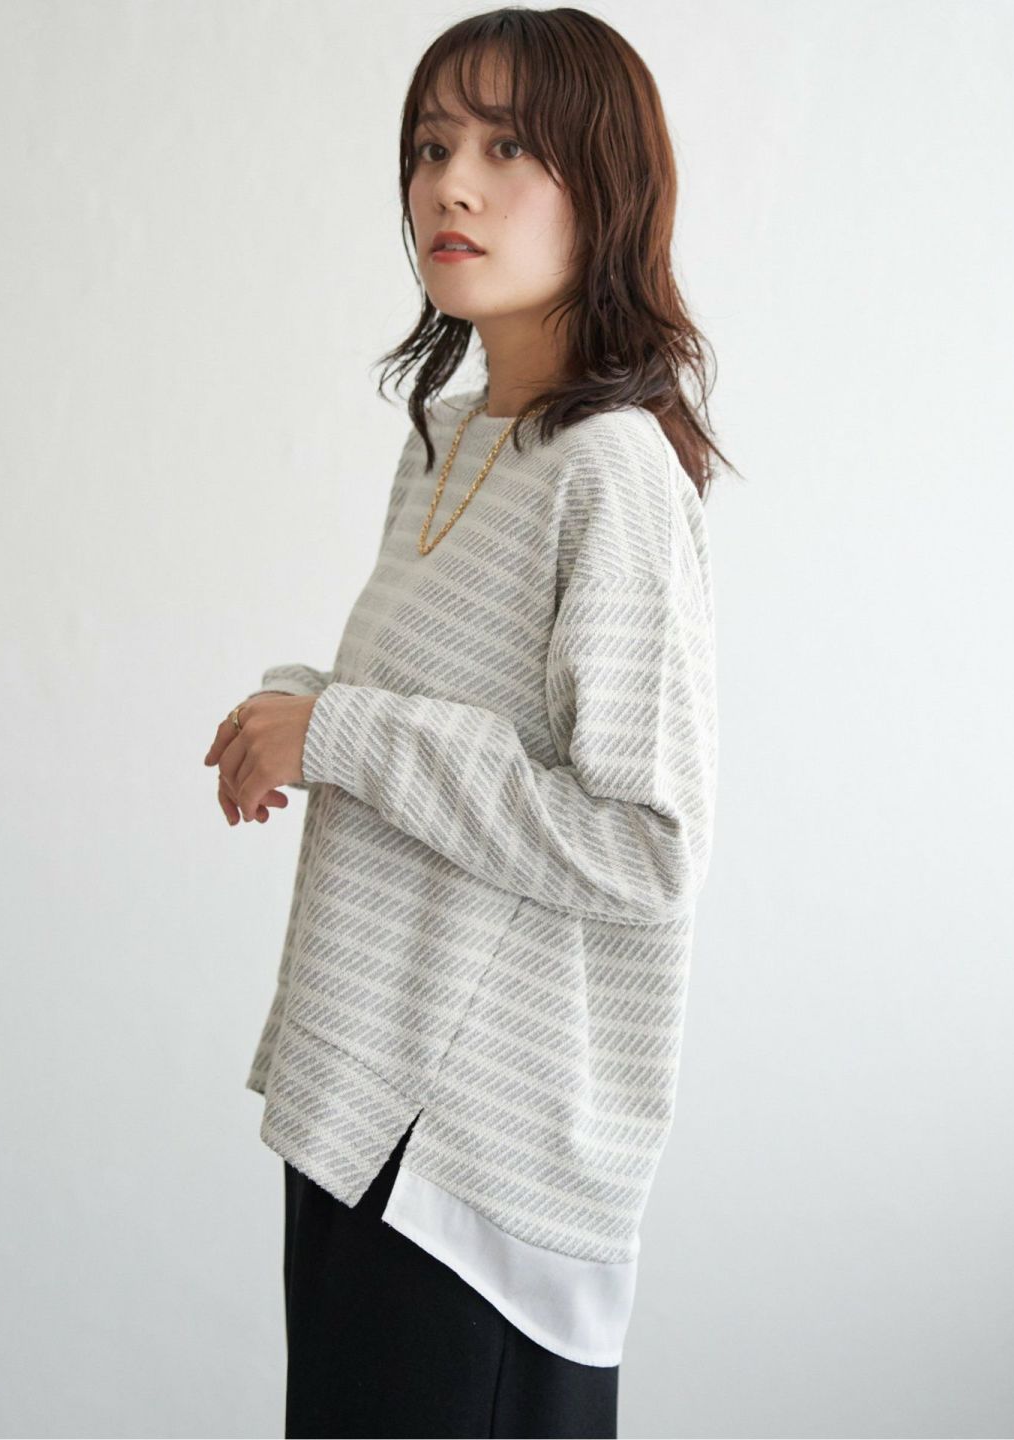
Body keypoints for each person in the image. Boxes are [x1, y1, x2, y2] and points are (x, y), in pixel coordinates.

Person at [203, 7, 738, 1436]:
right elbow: (441, 727)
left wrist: (339, 735)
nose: (451, 184)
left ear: (606, 189)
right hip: (358, 1113)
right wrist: (302, 710)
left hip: (470, 1171)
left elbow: (645, 844)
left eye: (508, 149)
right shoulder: (452, 438)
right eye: (432, 145)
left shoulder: (615, 471)